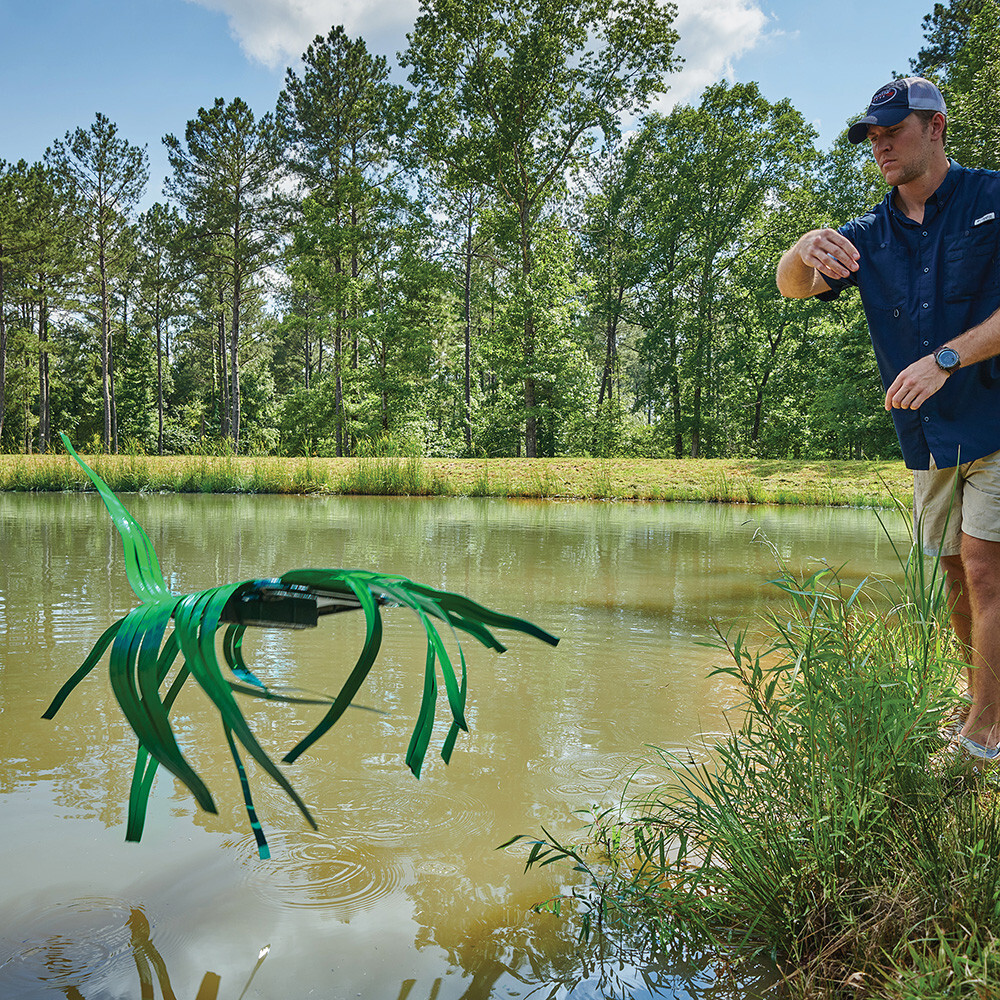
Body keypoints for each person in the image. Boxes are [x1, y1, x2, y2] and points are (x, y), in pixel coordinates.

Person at [776, 76, 1000, 767]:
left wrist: (947, 358)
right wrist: (802, 247)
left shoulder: (993, 199)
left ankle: (986, 734)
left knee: (990, 572)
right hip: (927, 436)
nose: (881, 147)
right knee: (956, 576)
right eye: (872, 137)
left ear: (936, 127)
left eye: (893, 132)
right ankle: (976, 699)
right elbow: (792, 285)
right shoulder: (867, 235)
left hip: (996, 420)